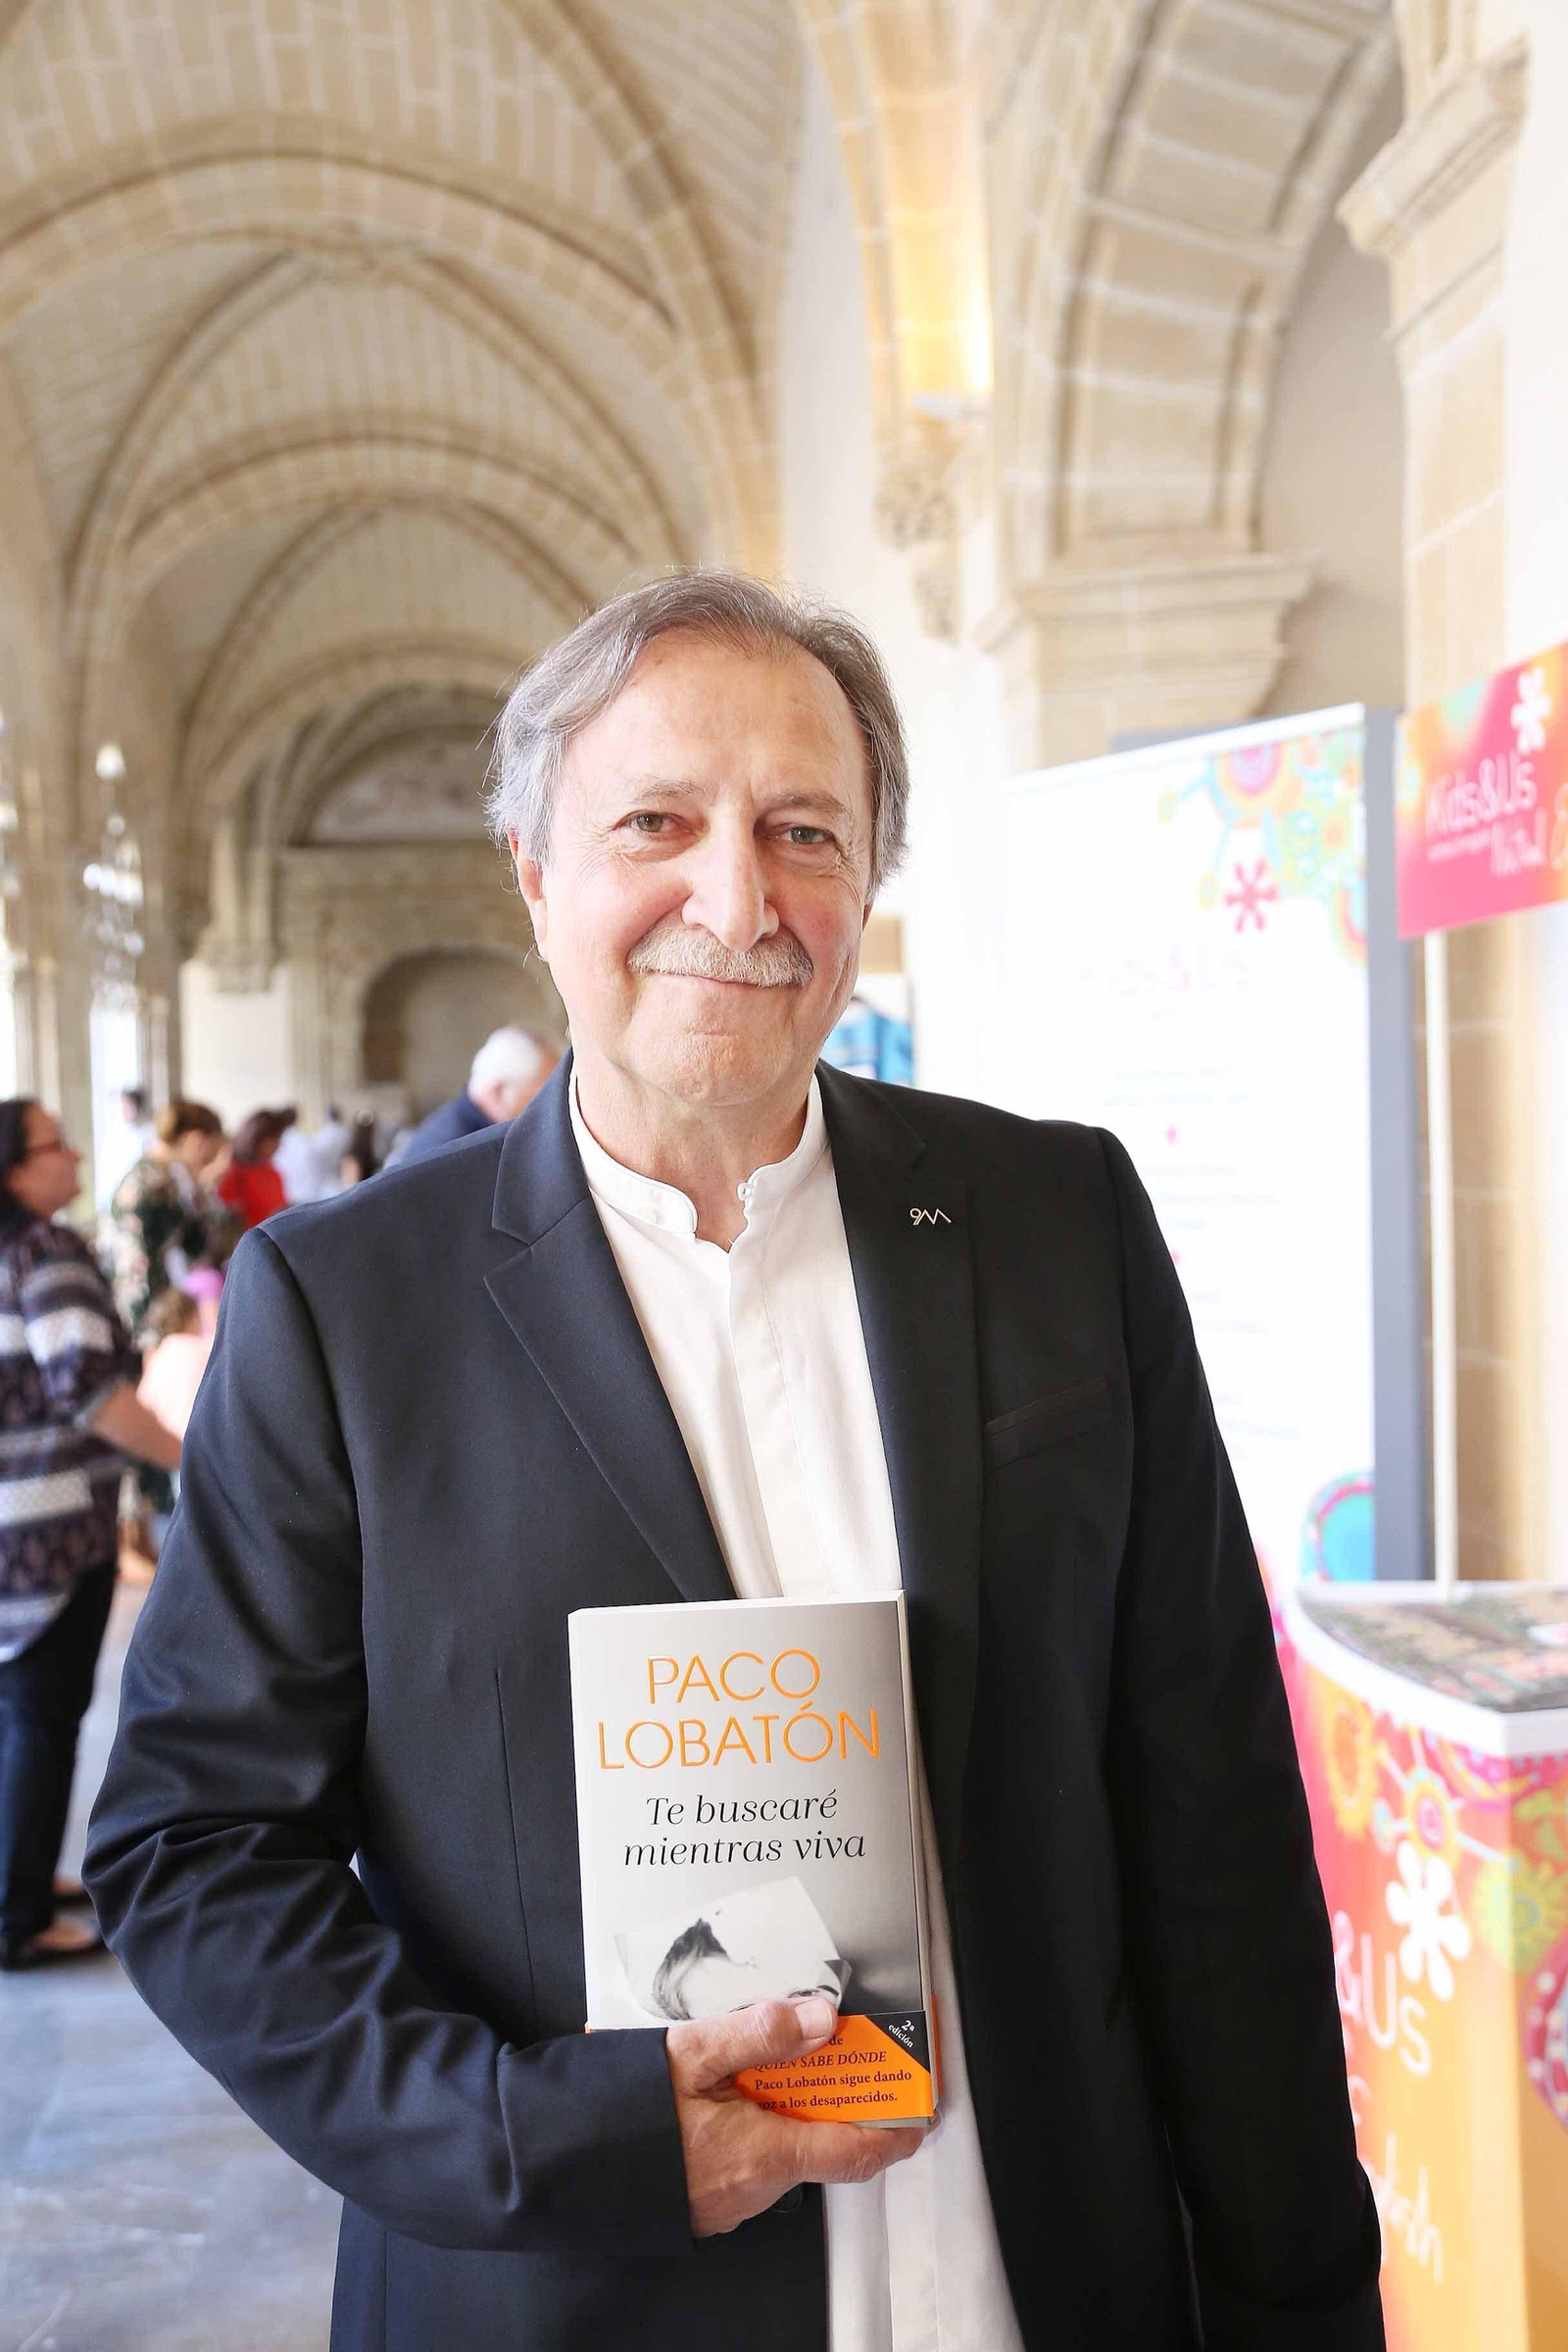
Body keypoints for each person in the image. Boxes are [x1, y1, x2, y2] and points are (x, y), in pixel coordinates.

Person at [86, 574, 1383, 2352]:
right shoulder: (346, 1304)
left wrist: (1300, 2294)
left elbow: (1211, 1811)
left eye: (802, 831)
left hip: (1047, 2279)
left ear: (861, 887)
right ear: (536, 877)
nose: (738, 897)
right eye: (656, 825)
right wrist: (546, 2140)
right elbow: (196, 1840)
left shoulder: (1054, 1221)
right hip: (574, 2293)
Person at [0, 1100, 181, 1970]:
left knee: (19, 1714)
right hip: (47, 1530)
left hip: (11, 1525)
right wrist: (196, 1461)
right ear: (15, 1167)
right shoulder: (43, 1252)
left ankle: (20, 1875)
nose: (74, 1156)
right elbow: (94, 1395)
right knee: (41, 1718)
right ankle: (18, 1914)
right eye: (55, 1144)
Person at [101, 1097, 229, 1345]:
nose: (209, 1162)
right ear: (195, 1140)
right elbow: (196, 1248)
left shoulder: (156, 1176)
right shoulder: (154, 1185)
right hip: (141, 1316)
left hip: (144, 1306)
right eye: (210, 1153)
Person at [396, 1023, 562, 1163]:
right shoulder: (457, 1151)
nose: (552, 1104)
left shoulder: (470, 1132)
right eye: (542, 1094)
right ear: (498, 1091)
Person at [218, 1110, 287, 1231]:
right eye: (273, 1139)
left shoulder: (272, 1171)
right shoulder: (233, 1172)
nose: (278, 1145)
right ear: (256, 1138)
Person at [270, 1106, 321, 1206]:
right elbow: (316, 1171)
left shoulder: (275, 1145)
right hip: (309, 1195)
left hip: (287, 1197)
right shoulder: (305, 1142)